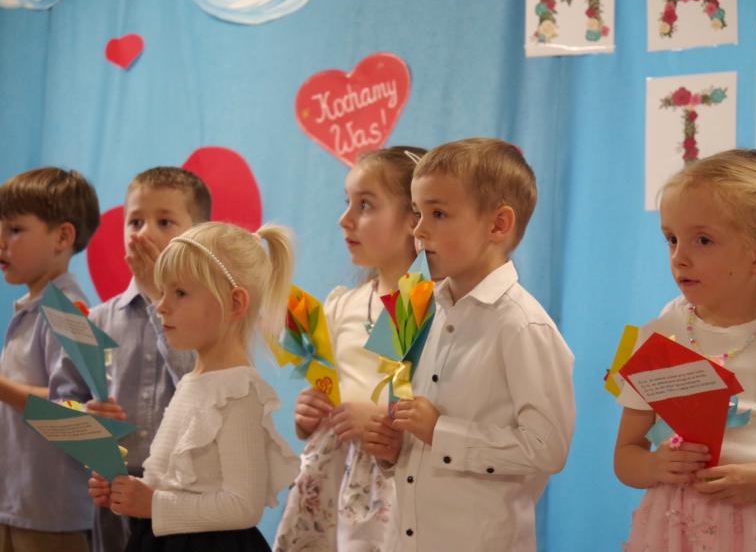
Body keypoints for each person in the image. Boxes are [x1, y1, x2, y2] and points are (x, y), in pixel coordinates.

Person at [615, 149, 756, 551]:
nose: (679, 257)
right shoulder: (659, 336)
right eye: (671, 239)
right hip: (674, 532)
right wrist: (655, 465)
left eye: (703, 240)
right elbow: (625, 457)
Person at [362, 138, 576, 551]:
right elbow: (417, 439)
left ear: (498, 225)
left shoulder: (522, 326)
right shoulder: (418, 308)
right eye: (418, 213)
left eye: (438, 214)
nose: (418, 230)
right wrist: (393, 451)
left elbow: (547, 448)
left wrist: (440, 431)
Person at [89, 221, 300, 551]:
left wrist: (153, 504)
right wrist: (127, 490)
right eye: (163, 291)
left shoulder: (239, 391)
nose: (161, 305)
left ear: (235, 303)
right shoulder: (193, 381)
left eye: (180, 293)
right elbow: (177, 482)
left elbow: (243, 506)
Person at [50, 166, 210, 552]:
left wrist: (159, 295)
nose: (143, 233)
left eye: (164, 222)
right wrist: (86, 422)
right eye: (135, 221)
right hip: (113, 498)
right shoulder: (97, 321)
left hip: (184, 497)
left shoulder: (211, 319)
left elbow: (206, 390)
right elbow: (59, 407)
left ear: (198, 235)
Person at [275, 146, 425, 551]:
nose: (345, 219)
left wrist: (383, 421)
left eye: (366, 205)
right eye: (347, 203)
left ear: (414, 218)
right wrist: (310, 415)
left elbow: (443, 403)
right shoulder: (343, 305)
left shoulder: (432, 305)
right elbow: (330, 388)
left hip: (399, 488)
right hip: (334, 485)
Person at [0, 167, 100, 552]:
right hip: (18, 506)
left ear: (62, 237)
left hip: (53, 518)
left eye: (15, 229)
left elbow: (76, 415)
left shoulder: (67, 311)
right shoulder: (32, 307)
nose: (1, 241)